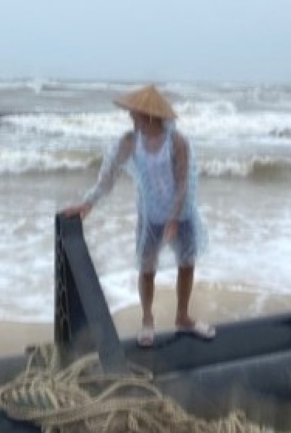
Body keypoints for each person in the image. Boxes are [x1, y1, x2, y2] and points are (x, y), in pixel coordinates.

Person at [61, 85, 215, 348]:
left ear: (150, 115)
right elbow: (107, 178)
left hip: (182, 213)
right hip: (151, 216)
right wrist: (87, 204)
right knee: (146, 268)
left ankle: (183, 317)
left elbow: (183, 183)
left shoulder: (177, 141)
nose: (131, 116)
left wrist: (175, 218)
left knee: (186, 264)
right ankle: (147, 320)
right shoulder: (130, 142)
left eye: (135, 113)